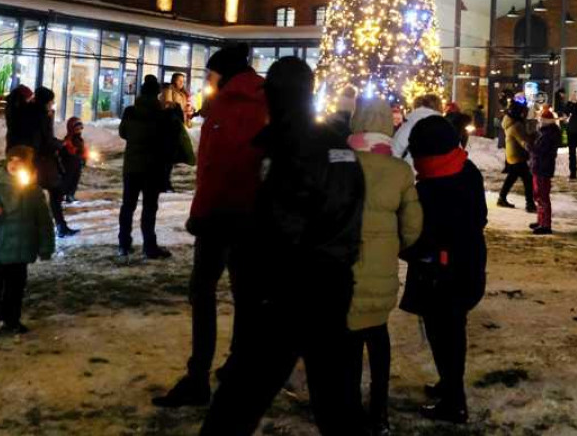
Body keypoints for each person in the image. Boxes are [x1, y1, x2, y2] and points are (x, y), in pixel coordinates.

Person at [201, 56, 364, 435]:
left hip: (289, 292)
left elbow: (280, 225)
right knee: (338, 404)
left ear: (277, 95)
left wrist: (256, 272)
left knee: (239, 399)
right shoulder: (339, 148)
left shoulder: (290, 148)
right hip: (332, 288)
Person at [155, 43, 267, 409]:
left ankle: (198, 376)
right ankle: (239, 364)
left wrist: (200, 213)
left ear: (224, 74)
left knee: (202, 293)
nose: (206, 81)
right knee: (246, 294)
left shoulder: (227, 107)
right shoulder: (264, 102)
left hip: (220, 216)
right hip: (251, 217)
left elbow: (216, 169)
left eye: (209, 75)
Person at [401, 116, 487, 424]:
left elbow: (420, 235)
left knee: (444, 334)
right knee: (450, 331)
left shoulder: (433, 186)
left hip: (441, 273)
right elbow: (479, 218)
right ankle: (449, 384)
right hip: (468, 266)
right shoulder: (467, 170)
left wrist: (409, 250)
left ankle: (454, 400)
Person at [346, 98, 423, 435]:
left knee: (346, 341)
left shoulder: (340, 163)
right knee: (377, 337)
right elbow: (412, 226)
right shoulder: (400, 170)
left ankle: (346, 408)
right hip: (382, 273)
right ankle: (379, 410)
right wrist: (394, 245)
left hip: (343, 271)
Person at [0, 145, 55, 340]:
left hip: (22, 250)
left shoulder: (34, 193)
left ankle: (10, 318)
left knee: (16, 287)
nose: (14, 164)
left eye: (20, 161)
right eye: (11, 160)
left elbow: (44, 223)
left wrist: (45, 247)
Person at [119, 78, 176, 259]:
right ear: (157, 93)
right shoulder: (161, 114)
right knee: (149, 208)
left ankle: (124, 244)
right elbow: (167, 140)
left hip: (132, 167)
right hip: (152, 169)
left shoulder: (130, 111)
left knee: (128, 206)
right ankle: (149, 246)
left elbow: (123, 133)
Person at [29, 87, 75, 238]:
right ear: (45, 102)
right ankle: (59, 226)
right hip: (43, 160)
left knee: (39, 192)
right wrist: (61, 145)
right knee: (55, 191)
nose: (53, 103)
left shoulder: (32, 114)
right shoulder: (41, 116)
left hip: (34, 159)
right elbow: (46, 140)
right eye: (51, 101)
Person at [498, 100, 535, 211]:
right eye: (524, 112)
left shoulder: (510, 122)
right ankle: (530, 204)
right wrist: (533, 139)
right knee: (528, 179)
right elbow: (523, 141)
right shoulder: (516, 125)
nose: (525, 114)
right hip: (518, 155)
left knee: (512, 177)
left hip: (512, 154)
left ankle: (502, 198)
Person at [529, 106, 560, 235]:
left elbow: (540, 151)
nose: (539, 121)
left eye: (541, 119)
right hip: (541, 167)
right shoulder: (547, 133)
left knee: (542, 196)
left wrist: (529, 146)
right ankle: (541, 220)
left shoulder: (548, 134)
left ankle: (545, 224)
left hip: (542, 167)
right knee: (539, 195)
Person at [392, 93, 442, 164]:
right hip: (440, 171)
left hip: (414, 169)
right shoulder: (445, 126)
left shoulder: (411, 124)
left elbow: (395, 150)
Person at [58, 117, 88, 204]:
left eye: (80, 129)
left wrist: (84, 158)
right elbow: (67, 150)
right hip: (69, 163)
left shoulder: (80, 140)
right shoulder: (68, 139)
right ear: (71, 129)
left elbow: (83, 150)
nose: (79, 131)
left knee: (75, 179)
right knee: (67, 179)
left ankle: (70, 194)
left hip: (78, 163)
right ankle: (62, 195)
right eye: (77, 129)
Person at [4, 84, 34, 151]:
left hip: (12, 141)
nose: (30, 100)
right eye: (29, 98)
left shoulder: (12, 106)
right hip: (19, 143)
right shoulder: (20, 109)